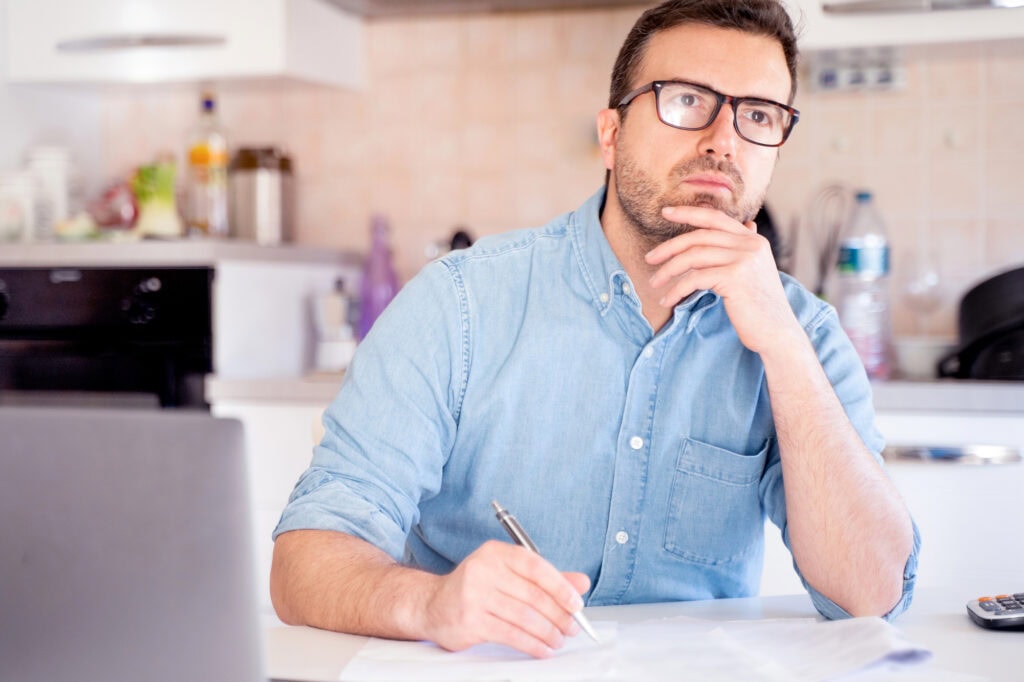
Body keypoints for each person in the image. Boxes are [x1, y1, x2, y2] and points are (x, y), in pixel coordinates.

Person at [271, 0, 920, 660]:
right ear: (610, 135)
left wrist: (783, 347)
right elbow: (305, 562)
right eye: (687, 99)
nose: (724, 140)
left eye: (758, 115)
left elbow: (872, 597)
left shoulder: (802, 331)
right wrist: (429, 603)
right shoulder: (459, 305)